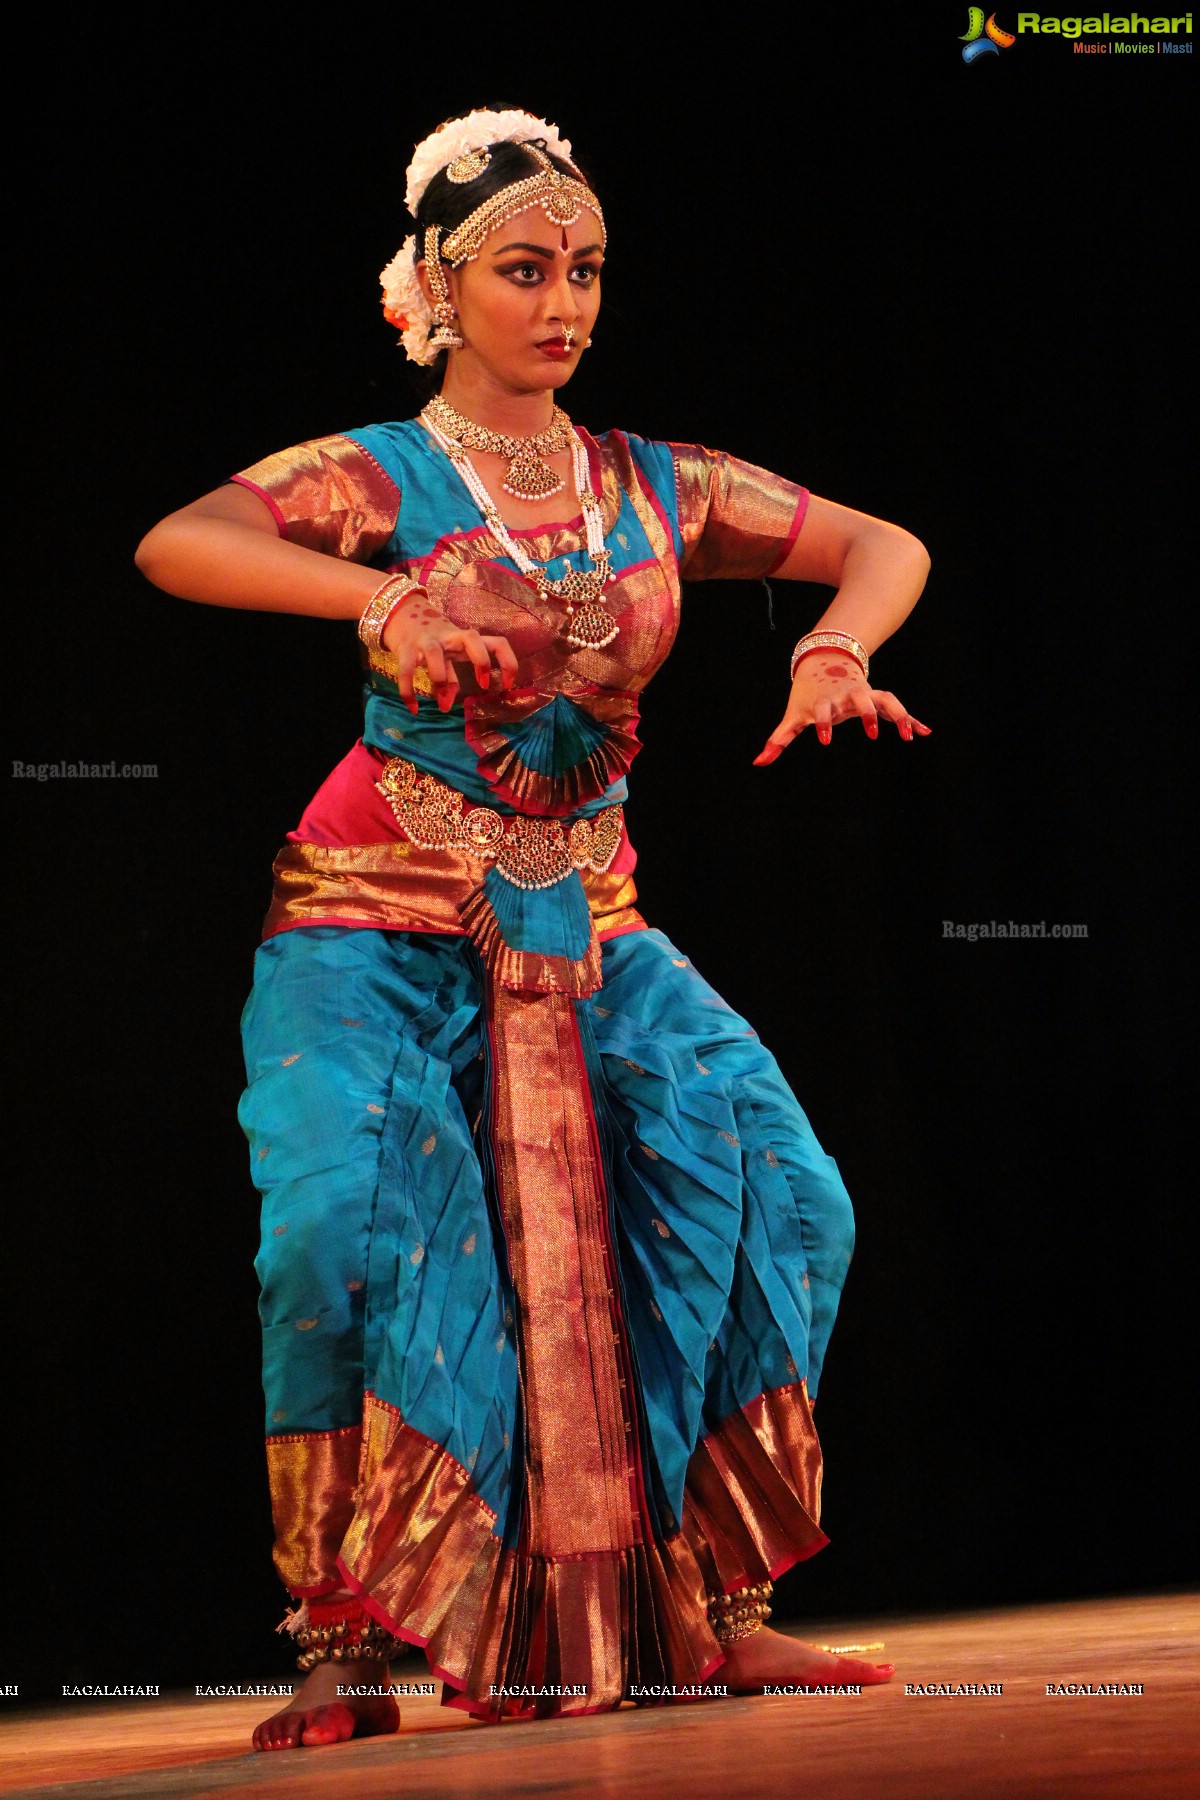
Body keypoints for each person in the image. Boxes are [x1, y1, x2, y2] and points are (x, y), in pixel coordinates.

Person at [136, 106, 930, 1752]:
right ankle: (344, 1636)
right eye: (520, 270)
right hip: (374, 914)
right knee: (342, 1241)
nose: (562, 302)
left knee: (783, 1193)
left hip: (587, 917)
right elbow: (181, 541)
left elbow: (880, 544)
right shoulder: (377, 474)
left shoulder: (653, 485)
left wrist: (832, 650)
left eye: (583, 270)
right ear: (436, 281)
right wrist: (379, 595)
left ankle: (712, 1605)